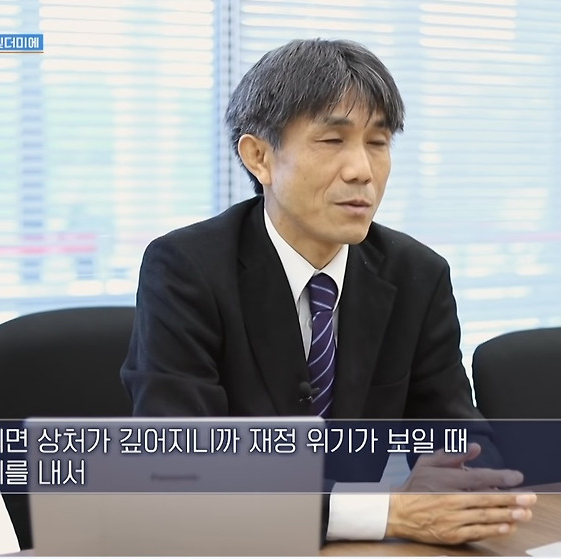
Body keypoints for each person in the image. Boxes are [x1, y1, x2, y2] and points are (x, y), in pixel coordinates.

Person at [121, 38, 536, 546]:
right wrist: (386, 513)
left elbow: (458, 436)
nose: (362, 170)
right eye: (332, 140)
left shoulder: (416, 274)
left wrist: (467, 489)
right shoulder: (187, 269)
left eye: (378, 143)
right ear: (259, 157)